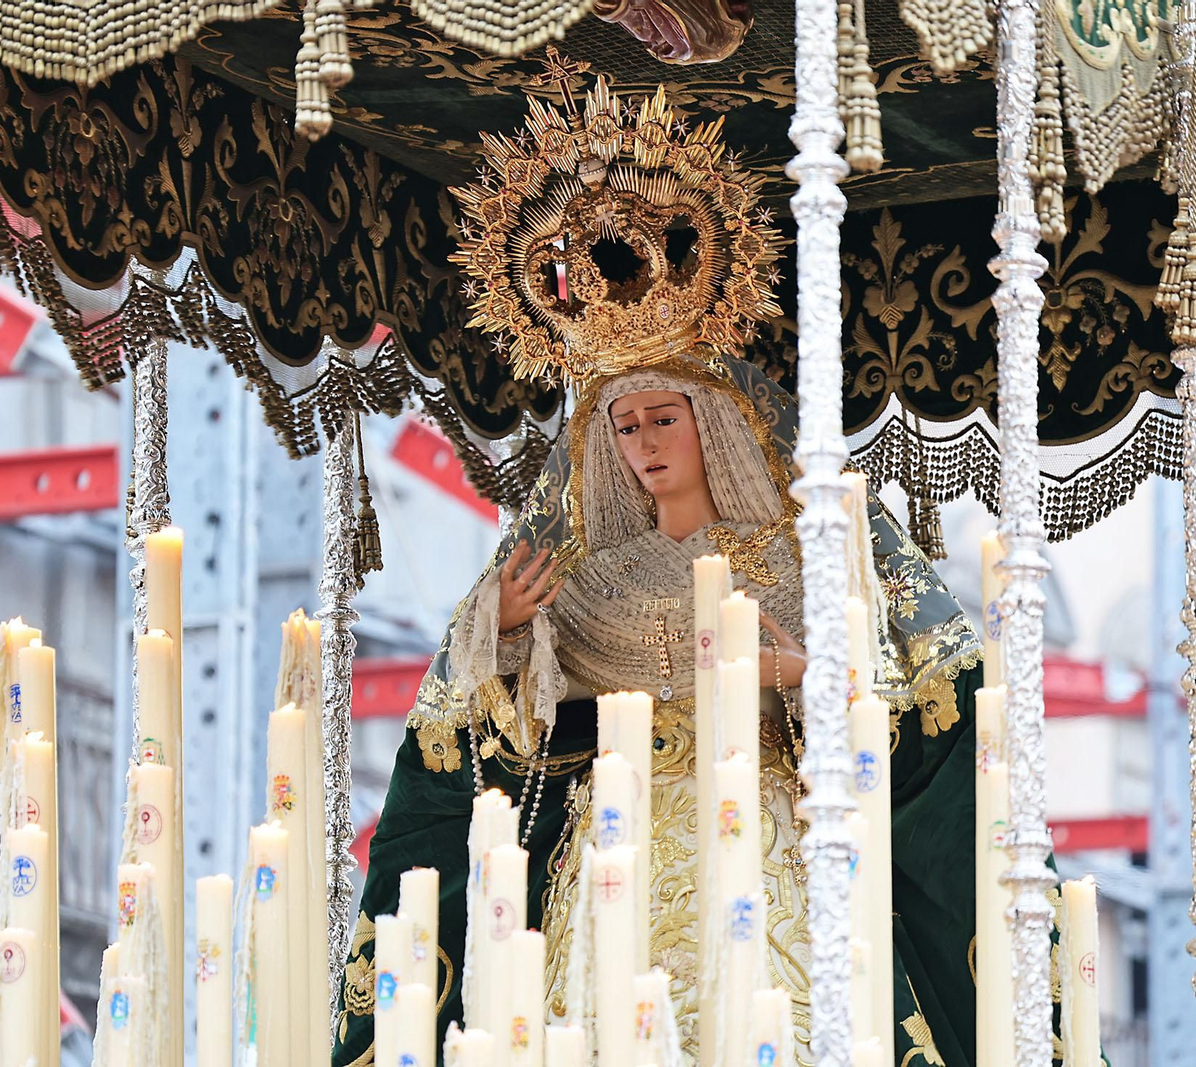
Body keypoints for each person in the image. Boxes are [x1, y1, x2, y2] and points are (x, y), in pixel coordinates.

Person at [332, 55, 985, 1067]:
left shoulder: (812, 553)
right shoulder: (578, 578)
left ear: (715, 422)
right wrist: (501, 636)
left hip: (769, 864)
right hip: (610, 867)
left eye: (663, 416)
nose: (641, 442)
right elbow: (491, 753)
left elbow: (918, 721)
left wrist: (802, 681)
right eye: (623, 422)